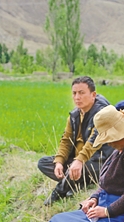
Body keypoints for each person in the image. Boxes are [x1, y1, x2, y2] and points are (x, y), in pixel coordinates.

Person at [37, 76, 113, 205]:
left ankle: (60, 192)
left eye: (81, 93)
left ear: (93, 94)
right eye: (74, 93)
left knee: (82, 168)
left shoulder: (103, 113)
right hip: (79, 161)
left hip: (99, 162)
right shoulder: (75, 115)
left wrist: (79, 161)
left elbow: (94, 141)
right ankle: (75, 182)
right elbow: (66, 140)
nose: (77, 97)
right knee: (44, 163)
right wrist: (59, 162)